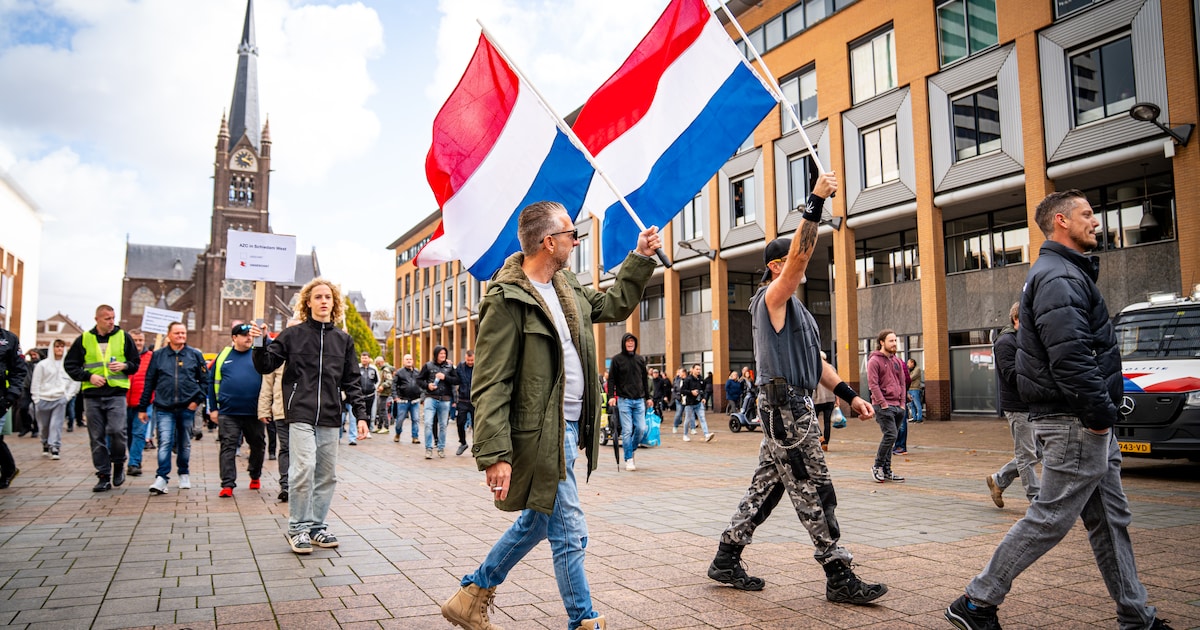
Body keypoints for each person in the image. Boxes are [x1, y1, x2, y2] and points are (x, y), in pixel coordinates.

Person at [945, 190, 1173, 630]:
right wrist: (1099, 416)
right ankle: (975, 602)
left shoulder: (1064, 273)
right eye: (1087, 214)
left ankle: (1136, 617)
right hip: (1076, 421)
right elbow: (1070, 358)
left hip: (1082, 420)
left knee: (1110, 521)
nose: (1097, 221)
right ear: (1062, 222)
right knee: (1050, 517)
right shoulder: (1058, 279)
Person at [440, 201, 659, 630]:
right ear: (548, 241)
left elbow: (613, 304)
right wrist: (495, 454)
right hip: (540, 432)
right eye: (570, 233)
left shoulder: (567, 285)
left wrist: (640, 259)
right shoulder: (507, 299)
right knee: (570, 528)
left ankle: (472, 594)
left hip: (572, 426)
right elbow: (490, 382)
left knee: (539, 521)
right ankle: (584, 620)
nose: (575, 240)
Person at [708, 172, 886, 606]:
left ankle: (727, 557)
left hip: (793, 407)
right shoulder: (772, 297)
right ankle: (837, 572)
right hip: (786, 410)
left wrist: (849, 394)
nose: (798, 265)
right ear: (776, 267)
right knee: (814, 488)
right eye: (789, 261)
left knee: (767, 488)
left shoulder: (799, 313)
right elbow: (801, 260)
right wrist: (815, 200)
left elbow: (818, 364)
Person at [250, 278, 369, 554]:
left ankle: (317, 527)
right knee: (303, 469)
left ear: (334, 303)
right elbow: (265, 365)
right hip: (300, 413)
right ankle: (298, 529)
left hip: (330, 416)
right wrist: (259, 340)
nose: (323, 301)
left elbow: (352, 381)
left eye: (328, 297)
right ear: (308, 302)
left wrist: (361, 416)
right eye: (318, 297)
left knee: (326, 475)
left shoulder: (344, 340)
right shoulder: (294, 335)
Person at [64, 304, 141, 492]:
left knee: (117, 431)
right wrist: (88, 376)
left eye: (113, 317)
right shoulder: (84, 339)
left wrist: (124, 366)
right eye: (107, 318)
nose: (111, 321)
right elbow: (70, 365)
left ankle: (118, 463)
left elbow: (135, 363)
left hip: (116, 392)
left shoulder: (124, 337)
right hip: (92, 395)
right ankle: (103, 475)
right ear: (97, 319)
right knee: (96, 437)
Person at [138, 321, 206, 495]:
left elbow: (205, 381)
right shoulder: (158, 355)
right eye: (177, 333)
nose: (181, 336)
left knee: (184, 443)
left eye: (183, 333)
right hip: (164, 407)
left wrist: (196, 401)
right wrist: (142, 407)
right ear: (169, 334)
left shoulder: (194, 355)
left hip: (187, 407)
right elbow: (149, 382)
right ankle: (161, 478)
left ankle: (184, 472)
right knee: (165, 442)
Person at [985, 301, 1040, 509]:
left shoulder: (1024, 339)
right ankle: (1037, 500)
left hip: (1032, 406)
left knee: (1038, 452)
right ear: (1016, 319)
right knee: (1027, 455)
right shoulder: (1006, 342)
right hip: (1018, 407)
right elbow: (1011, 374)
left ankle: (999, 480)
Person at [211, 323, 266, 498]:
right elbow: (211, 382)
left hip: (254, 412)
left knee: (257, 445)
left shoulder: (258, 354)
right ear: (234, 338)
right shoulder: (224, 356)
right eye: (244, 335)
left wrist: (264, 336)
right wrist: (213, 408)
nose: (249, 338)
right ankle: (227, 484)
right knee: (227, 446)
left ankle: (255, 474)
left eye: (250, 335)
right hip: (228, 412)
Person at [258, 318, 300, 502]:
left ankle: (302, 484)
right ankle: (286, 485)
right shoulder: (276, 354)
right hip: (282, 410)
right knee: (286, 448)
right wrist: (264, 410)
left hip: (305, 411)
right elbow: (267, 383)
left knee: (303, 450)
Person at [867, 330, 909, 480]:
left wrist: (903, 404)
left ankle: (887, 470)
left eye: (895, 341)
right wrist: (883, 404)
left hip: (898, 405)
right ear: (882, 342)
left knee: (892, 437)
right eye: (891, 341)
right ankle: (877, 466)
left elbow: (902, 383)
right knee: (891, 435)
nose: (894, 344)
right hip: (883, 406)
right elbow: (873, 384)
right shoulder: (874, 361)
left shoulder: (897, 361)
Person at [607, 332, 652, 471]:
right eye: (628, 341)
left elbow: (645, 379)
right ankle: (629, 459)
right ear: (624, 343)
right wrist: (611, 396)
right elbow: (611, 379)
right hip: (624, 400)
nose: (630, 343)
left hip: (639, 400)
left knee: (641, 429)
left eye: (632, 341)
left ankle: (629, 449)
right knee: (627, 430)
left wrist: (649, 397)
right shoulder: (617, 360)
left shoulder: (640, 359)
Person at [30, 339, 78, 460]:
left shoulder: (67, 365)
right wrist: (36, 398)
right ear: (52, 348)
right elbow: (36, 382)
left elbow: (75, 381)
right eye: (57, 347)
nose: (59, 349)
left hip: (59, 398)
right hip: (43, 398)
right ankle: (45, 443)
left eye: (62, 347)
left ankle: (55, 447)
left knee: (55, 425)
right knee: (44, 426)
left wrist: (68, 396)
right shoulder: (43, 365)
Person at [0, 310, 27, 488]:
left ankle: (9, 470)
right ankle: (9, 468)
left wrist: (11, 396)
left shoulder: (9, 339)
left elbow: (19, 371)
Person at [418, 345, 458, 459]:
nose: (443, 356)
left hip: (445, 399)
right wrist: (427, 386)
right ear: (436, 355)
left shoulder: (450, 367)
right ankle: (429, 448)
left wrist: (445, 377)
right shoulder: (428, 365)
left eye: (444, 354)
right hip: (431, 398)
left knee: (443, 426)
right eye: (441, 354)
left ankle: (441, 448)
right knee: (428, 423)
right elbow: (419, 379)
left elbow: (456, 380)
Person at [124, 330, 153, 476]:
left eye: (140, 340)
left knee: (139, 433)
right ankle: (132, 458)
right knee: (127, 433)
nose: (138, 343)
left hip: (144, 403)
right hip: (124, 402)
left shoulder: (151, 357)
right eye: (135, 340)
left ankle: (134, 463)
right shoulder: (122, 357)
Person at [392, 353, 422, 444]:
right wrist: (395, 396)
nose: (409, 361)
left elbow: (422, 384)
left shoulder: (417, 372)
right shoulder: (399, 372)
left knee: (416, 419)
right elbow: (394, 385)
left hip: (415, 401)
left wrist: (422, 396)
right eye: (407, 359)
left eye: (410, 359)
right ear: (403, 361)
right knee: (400, 419)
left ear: (413, 361)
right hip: (402, 400)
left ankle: (415, 437)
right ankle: (397, 433)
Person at [680, 364, 715, 441]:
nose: (698, 371)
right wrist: (691, 392)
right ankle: (685, 435)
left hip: (699, 403)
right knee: (687, 420)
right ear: (692, 370)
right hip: (689, 403)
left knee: (702, 418)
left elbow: (704, 390)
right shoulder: (688, 379)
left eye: (699, 369)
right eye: (697, 369)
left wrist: (704, 398)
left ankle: (706, 434)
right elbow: (682, 391)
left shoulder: (701, 380)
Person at [813, 352, 836, 452]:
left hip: (817, 400)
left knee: (814, 421)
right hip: (830, 399)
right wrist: (837, 399)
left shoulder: (814, 368)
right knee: (827, 422)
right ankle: (826, 442)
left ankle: (821, 438)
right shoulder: (832, 368)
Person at [454, 350, 475, 456]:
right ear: (465, 358)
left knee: (476, 425)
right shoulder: (460, 367)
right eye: (468, 360)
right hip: (462, 400)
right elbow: (454, 378)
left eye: (472, 360)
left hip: (475, 400)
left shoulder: (478, 367)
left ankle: (476, 446)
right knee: (460, 423)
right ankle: (462, 443)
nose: (470, 362)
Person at [374, 356, 393, 433]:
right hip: (382, 392)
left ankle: (386, 426)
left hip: (385, 392)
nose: (378, 366)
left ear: (381, 362)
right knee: (380, 409)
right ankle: (380, 426)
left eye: (378, 364)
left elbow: (389, 381)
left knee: (383, 409)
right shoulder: (383, 369)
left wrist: (382, 386)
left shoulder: (385, 370)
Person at [906, 358, 924, 423]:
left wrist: (907, 377)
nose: (907, 364)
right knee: (911, 404)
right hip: (909, 389)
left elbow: (911, 378)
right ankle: (914, 417)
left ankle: (919, 418)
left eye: (909, 363)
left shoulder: (917, 369)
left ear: (912, 363)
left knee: (917, 404)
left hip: (915, 389)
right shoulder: (909, 370)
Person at [670, 368, 686, 433]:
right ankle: (675, 426)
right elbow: (674, 390)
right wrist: (676, 397)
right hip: (679, 399)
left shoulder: (687, 379)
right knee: (678, 413)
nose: (679, 373)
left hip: (686, 398)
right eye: (678, 372)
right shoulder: (676, 380)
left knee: (689, 413)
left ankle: (692, 428)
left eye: (680, 372)